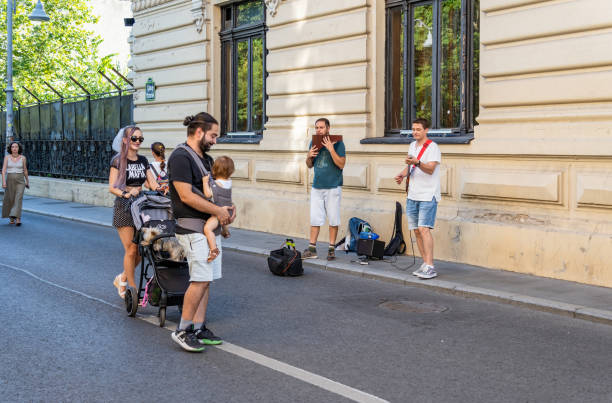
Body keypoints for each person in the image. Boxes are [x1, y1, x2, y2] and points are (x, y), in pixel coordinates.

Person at [168, 112, 236, 352]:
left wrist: (226, 212)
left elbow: (215, 192)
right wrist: (218, 210)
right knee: (200, 279)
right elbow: (185, 196)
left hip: (210, 227)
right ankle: (182, 330)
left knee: (206, 281)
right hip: (191, 227)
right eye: (213, 135)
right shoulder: (179, 158)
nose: (215, 140)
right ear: (199, 132)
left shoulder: (207, 160)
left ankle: (199, 327)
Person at [108, 126, 160, 298]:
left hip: (141, 207)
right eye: (134, 138)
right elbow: (112, 187)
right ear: (125, 141)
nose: (138, 142)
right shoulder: (118, 161)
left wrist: (163, 188)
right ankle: (131, 287)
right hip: (123, 207)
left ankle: (122, 277)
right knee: (131, 249)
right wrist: (127, 193)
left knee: (140, 250)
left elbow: (152, 184)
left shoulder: (143, 160)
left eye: (140, 139)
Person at [394, 118, 441, 279]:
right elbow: (411, 166)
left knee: (424, 229)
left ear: (426, 130)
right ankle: (425, 263)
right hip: (413, 194)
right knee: (416, 231)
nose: (415, 132)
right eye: (413, 129)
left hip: (428, 195)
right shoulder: (412, 146)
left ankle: (430, 266)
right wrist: (402, 174)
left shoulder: (433, 147)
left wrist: (417, 162)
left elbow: (430, 169)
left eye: (418, 129)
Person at [304, 118, 346, 261]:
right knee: (315, 218)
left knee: (333, 219)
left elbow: (341, 164)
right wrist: (308, 157)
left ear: (328, 128)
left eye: (321, 127)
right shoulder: (313, 142)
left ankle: (331, 249)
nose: (318, 130)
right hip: (317, 186)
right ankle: (311, 249)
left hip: (333, 186)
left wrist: (331, 149)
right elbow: (309, 165)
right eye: (316, 128)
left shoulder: (339, 143)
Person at [202, 156, 234, 263]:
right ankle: (225, 231)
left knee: (207, 229)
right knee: (223, 222)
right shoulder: (230, 181)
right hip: (228, 210)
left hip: (218, 212)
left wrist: (205, 182)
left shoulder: (216, 184)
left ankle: (213, 249)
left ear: (214, 169)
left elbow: (207, 194)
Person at [2, 142, 29, 226]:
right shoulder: (7, 157)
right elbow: (3, 170)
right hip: (9, 179)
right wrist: (3, 182)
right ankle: (11, 217)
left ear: (18, 148)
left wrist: (27, 181)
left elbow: (25, 170)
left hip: (20, 181)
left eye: (16, 147)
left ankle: (18, 218)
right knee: (10, 199)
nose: (14, 148)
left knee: (18, 198)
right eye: (13, 147)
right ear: (10, 149)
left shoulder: (23, 158)